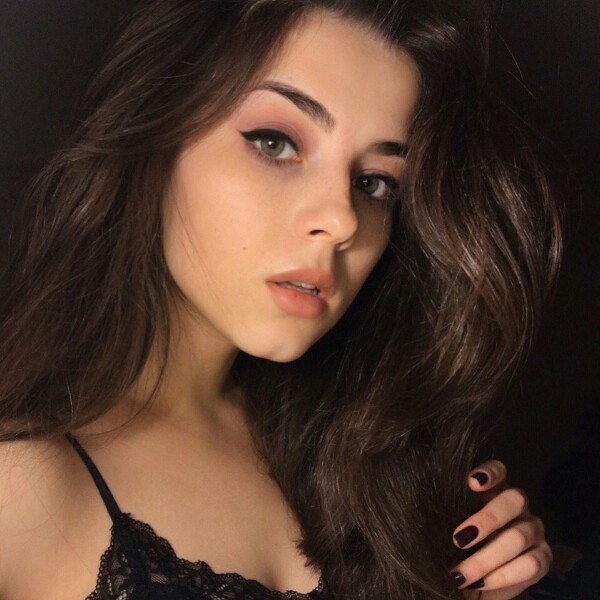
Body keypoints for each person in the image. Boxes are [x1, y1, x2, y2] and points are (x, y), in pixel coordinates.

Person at [0, 1, 561, 598]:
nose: (343, 220)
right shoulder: (20, 485)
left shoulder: (364, 460)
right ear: (154, 139)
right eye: (275, 143)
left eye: (374, 183)